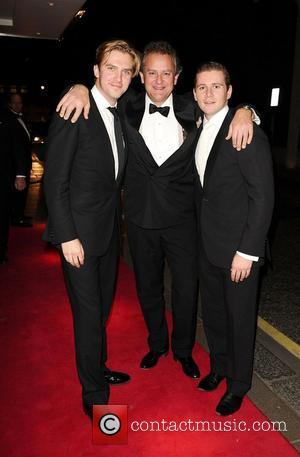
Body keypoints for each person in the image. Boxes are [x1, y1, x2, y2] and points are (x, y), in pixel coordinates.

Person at [56, 41, 255, 380]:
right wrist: (76, 88)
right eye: (151, 73)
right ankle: (157, 344)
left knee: (185, 290)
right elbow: (96, 94)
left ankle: (182, 350)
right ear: (141, 77)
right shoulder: (125, 107)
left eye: (166, 73)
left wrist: (246, 110)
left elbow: (225, 106)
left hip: (183, 221)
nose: (159, 81)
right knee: (147, 288)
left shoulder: (193, 108)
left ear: (177, 78)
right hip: (139, 218)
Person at [43, 40, 140, 419]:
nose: (118, 76)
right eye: (110, 68)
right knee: (87, 314)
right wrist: (66, 235)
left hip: (106, 235)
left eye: (125, 70)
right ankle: (94, 392)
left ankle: (98, 368)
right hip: (78, 238)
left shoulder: (121, 111)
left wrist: (248, 110)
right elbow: (55, 179)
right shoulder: (75, 109)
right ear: (96, 71)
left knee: (100, 311)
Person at [193, 62, 274, 415]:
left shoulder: (245, 130)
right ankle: (220, 368)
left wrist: (248, 251)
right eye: (202, 87)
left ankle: (239, 385)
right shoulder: (199, 125)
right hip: (207, 244)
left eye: (216, 87)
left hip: (239, 250)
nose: (208, 93)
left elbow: (263, 197)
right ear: (194, 93)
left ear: (229, 91)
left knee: (240, 320)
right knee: (213, 314)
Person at [0, 106, 28, 264]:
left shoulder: (6, 117)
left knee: (2, 215)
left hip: (3, 176)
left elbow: (17, 147)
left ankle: (1, 252)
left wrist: (20, 174)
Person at [6, 93, 33, 227]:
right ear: (10, 104)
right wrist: (20, 172)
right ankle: (16, 217)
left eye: (20, 103)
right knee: (18, 192)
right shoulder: (9, 120)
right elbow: (15, 147)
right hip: (15, 166)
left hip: (23, 164)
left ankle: (19, 215)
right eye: (14, 103)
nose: (17, 105)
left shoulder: (22, 118)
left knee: (22, 193)